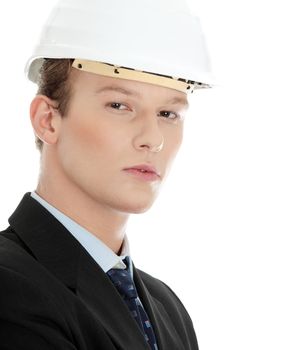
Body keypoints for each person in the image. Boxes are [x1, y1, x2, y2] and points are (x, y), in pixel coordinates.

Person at [0, 0, 213, 349]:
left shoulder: (167, 308)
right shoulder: (9, 286)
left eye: (168, 113)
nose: (153, 139)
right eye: (119, 105)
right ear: (47, 120)